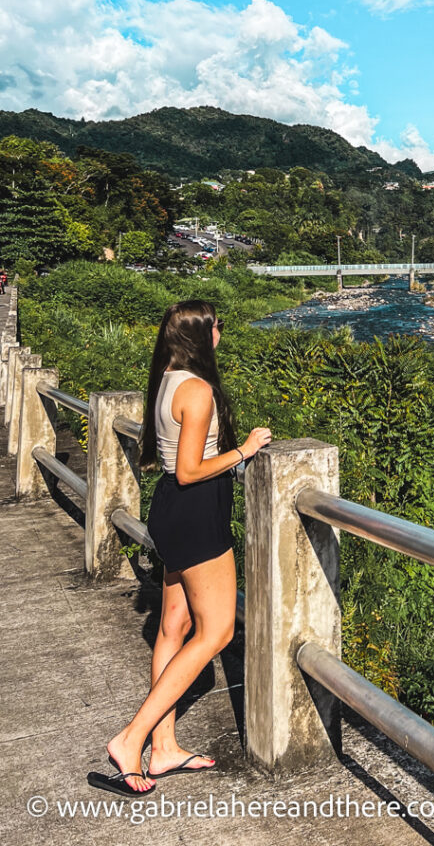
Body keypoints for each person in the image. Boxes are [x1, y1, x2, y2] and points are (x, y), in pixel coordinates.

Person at [87, 300, 271, 796]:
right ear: (198, 335)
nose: (221, 335)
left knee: (174, 624)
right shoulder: (198, 389)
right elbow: (191, 469)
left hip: (169, 508)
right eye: (217, 328)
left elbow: (174, 467)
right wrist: (245, 450)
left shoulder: (166, 378)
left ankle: (164, 747)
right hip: (196, 512)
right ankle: (132, 738)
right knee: (217, 631)